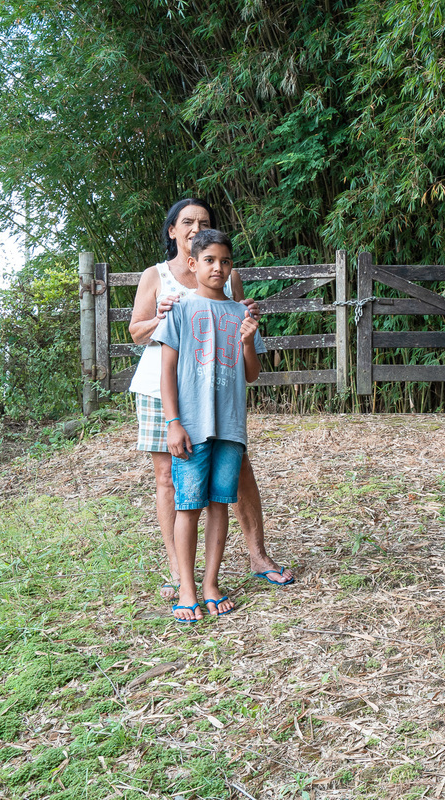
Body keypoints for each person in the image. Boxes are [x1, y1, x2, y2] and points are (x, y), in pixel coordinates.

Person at [128, 199, 294, 598]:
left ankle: (257, 555)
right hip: (163, 388)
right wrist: (162, 316)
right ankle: (179, 572)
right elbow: (136, 332)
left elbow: (238, 321)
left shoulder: (225, 276)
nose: (193, 227)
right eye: (186, 221)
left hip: (219, 392)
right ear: (173, 230)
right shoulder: (156, 276)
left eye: (202, 221)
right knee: (170, 479)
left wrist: (248, 318)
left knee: (236, 472)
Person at [155, 229, 266, 623]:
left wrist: (249, 342)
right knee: (188, 507)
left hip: (231, 428)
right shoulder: (180, 309)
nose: (218, 268)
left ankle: (210, 583)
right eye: (209, 261)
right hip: (191, 427)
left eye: (225, 262)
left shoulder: (242, 313)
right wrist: (173, 423)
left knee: (221, 503)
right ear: (192, 264)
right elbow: (166, 371)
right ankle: (186, 586)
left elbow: (251, 374)